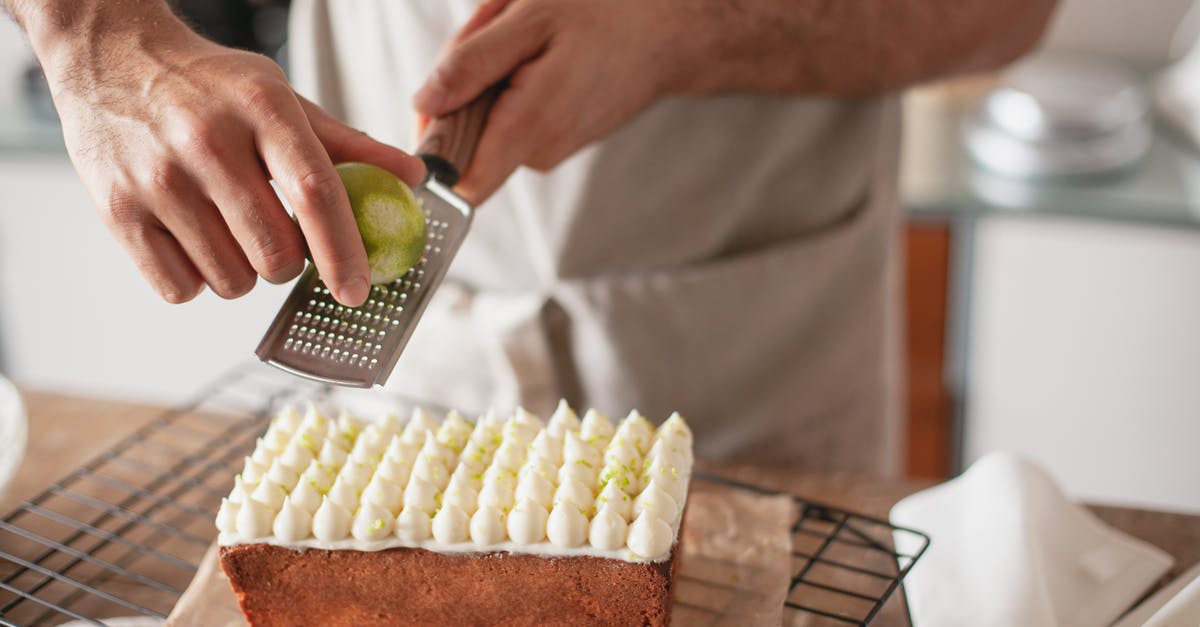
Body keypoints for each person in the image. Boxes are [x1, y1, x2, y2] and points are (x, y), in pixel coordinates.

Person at [5, 0, 1055, 473]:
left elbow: (1010, 11)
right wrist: (89, 30)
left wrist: (695, 28)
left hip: (759, 365)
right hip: (403, 366)